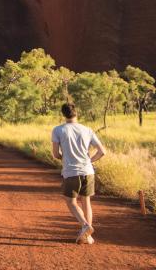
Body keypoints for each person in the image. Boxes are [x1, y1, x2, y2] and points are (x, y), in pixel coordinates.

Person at [51, 102, 106, 244]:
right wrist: (89, 161)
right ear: (76, 113)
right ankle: (87, 236)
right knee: (86, 201)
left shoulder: (58, 130)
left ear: (63, 114)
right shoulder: (87, 130)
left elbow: (56, 154)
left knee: (70, 201)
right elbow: (102, 152)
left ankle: (85, 225)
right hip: (88, 171)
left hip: (71, 171)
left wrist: (66, 157)